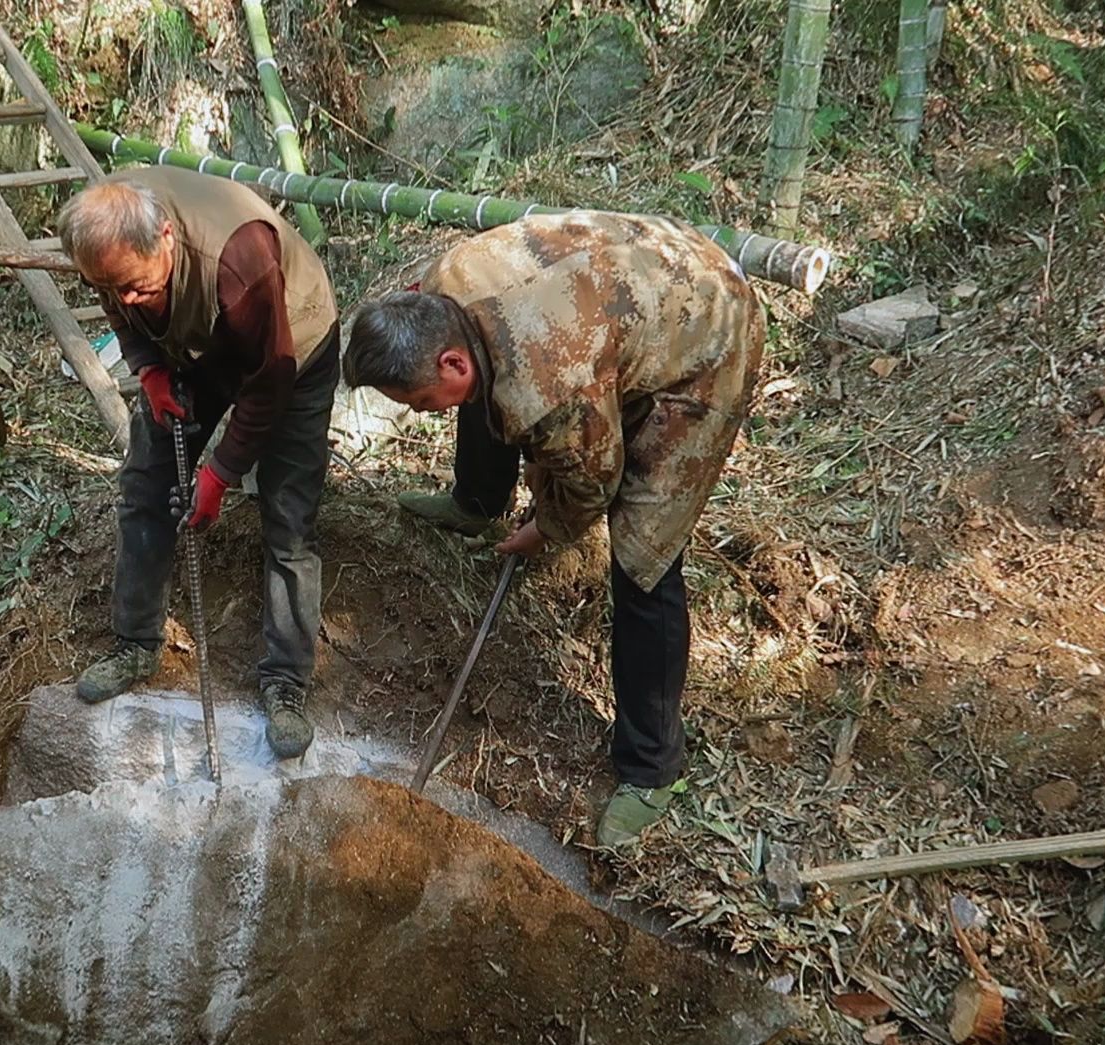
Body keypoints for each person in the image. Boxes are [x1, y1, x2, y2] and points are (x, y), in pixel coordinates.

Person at [341, 211, 764, 845]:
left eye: (422, 401)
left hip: (707, 334)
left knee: (645, 555)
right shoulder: (443, 290)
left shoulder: (548, 388)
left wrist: (548, 526)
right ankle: (477, 503)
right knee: (493, 397)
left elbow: (595, 480)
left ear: (450, 361)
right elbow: (501, 390)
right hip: (626, 286)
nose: (423, 416)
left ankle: (652, 767)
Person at [56, 167, 340, 758]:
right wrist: (149, 368)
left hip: (289, 351)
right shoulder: (105, 236)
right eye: (111, 289)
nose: (123, 299)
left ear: (165, 237)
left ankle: (285, 681)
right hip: (189, 346)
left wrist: (220, 475)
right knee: (145, 487)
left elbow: (268, 383)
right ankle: (136, 642)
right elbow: (117, 303)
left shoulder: (238, 257)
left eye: (136, 286)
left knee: (288, 517)